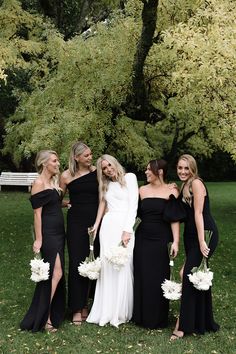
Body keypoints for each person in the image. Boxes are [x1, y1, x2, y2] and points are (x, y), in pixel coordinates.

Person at [171, 154, 219, 340]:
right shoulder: (185, 185)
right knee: (195, 275)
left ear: (193, 169)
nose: (182, 171)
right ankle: (202, 320)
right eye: (180, 168)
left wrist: (201, 241)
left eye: (186, 168)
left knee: (187, 274)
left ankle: (182, 326)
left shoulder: (196, 183)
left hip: (205, 234)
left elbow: (198, 214)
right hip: (191, 237)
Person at [86, 154, 139, 327]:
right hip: (108, 228)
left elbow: (133, 206)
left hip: (124, 227)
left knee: (123, 264)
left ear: (115, 163)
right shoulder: (106, 184)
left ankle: (122, 311)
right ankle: (106, 309)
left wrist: (127, 230)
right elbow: (102, 204)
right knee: (108, 266)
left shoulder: (130, 178)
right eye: (104, 168)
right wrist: (96, 225)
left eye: (109, 165)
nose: (108, 169)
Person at [132, 159, 182, 329]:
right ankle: (140, 316)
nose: (146, 172)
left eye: (149, 170)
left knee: (159, 275)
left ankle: (158, 318)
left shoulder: (172, 189)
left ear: (160, 172)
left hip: (162, 238)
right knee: (143, 274)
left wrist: (176, 241)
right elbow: (133, 213)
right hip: (143, 237)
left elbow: (174, 218)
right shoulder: (142, 190)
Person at [20, 150, 66, 332]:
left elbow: (52, 203)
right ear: (44, 163)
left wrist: (68, 203)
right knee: (56, 273)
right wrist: (39, 239)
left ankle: (47, 315)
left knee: (54, 274)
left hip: (59, 232)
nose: (58, 163)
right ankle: (45, 319)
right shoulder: (38, 182)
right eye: (54, 161)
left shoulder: (52, 182)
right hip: (48, 234)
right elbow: (37, 213)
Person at [60, 141, 99, 325]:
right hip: (76, 223)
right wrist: (67, 204)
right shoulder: (66, 176)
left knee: (93, 261)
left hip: (96, 223)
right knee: (77, 262)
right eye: (86, 155)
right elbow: (56, 198)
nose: (90, 157)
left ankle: (86, 305)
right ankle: (76, 307)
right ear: (76, 157)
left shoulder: (97, 172)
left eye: (91, 154)